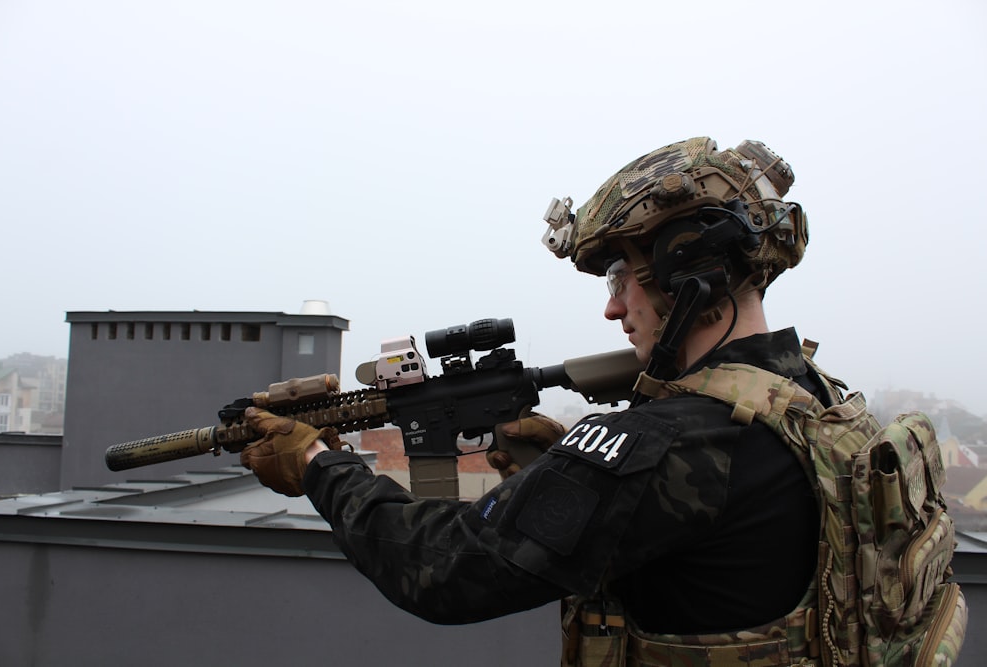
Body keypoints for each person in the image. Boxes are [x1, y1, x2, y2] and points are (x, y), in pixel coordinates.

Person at [240, 137, 827, 664]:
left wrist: (318, 463)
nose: (613, 308)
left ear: (685, 265)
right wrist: (567, 462)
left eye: (620, 277)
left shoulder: (674, 442)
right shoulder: (810, 394)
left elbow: (443, 568)